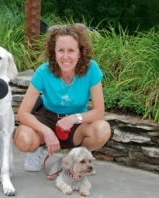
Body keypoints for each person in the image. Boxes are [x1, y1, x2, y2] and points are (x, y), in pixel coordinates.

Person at [13, 23, 111, 172]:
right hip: (47, 117)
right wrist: (45, 131)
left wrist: (74, 118)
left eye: (71, 50)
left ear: (80, 52)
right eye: (60, 51)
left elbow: (99, 111)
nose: (65, 57)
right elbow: (23, 113)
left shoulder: (92, 69)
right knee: (23, 140)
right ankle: (35, 151)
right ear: (54, 52)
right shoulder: (43, 72)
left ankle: (74, 158)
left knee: (102, 130)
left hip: (77, 122)